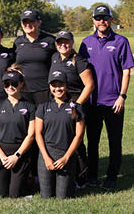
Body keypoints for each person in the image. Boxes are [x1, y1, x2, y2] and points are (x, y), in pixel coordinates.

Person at [78, 5, 134, 190]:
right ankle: (92, 176)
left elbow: (126, 71)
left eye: (105, 18)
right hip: (92, 102)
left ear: (110, 20)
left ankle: (111, 177)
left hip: (113, 102)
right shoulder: (86, 43)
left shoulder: (121, 41)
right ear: (93, 20)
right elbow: (80, 72)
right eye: (98, 18)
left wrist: (122, 96)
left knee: (114, 141)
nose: (101, 21)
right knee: (92, 142)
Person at [50, 30, 94, 188]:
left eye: (66, 41)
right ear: (56, 44)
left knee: (77, 141)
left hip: (75, 105)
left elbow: (89, 85)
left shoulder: (79, 60)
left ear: (72, 42)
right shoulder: (54, 58)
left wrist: (76, 105)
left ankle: (82, 177)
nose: (63, 44)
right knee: (63, 139)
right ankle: (66, 173)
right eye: (60, 42)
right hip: (59, 105)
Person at [35, 71, 85, 199]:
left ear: (66, 85)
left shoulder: (76, 107)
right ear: (50, 87)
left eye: (61, 85)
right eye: (54, 85)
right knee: (46, 197)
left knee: (63, 197)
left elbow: (79, 136)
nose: (58, 89)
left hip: (66, 154)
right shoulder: (43, 107)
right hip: (47, 154)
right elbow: (38, 133)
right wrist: (46, 158)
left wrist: (66, 158)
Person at [0, 66, 35, 198]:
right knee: (1, 194)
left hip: (20, 152)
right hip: (0, 152)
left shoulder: (30, 107)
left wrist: (17, 156)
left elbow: (31, 135)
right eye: (6, 84)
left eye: (14, 83)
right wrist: (2, 157)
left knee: (15, 194)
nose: (10, 87)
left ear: (21, 84)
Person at [13, 8, 56, 106]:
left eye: (31, 21)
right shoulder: (18, 42)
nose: (28, 25)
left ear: (39, 22)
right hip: (23, 90)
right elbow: (14, 63)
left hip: (45, 90)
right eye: (25, 22)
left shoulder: (50, 40)